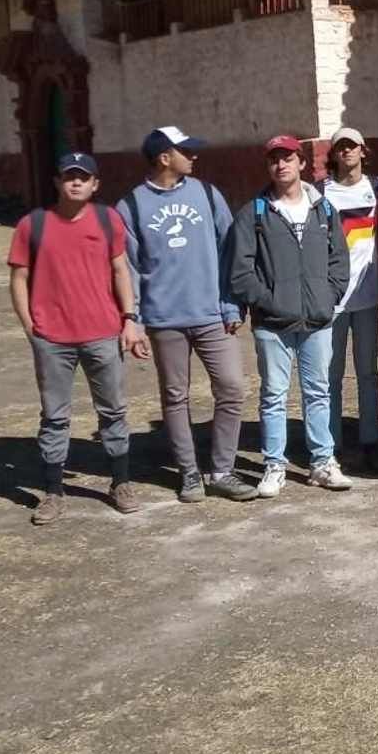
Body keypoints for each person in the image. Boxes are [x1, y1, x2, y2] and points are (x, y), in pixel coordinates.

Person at [117, 126, 257, 504]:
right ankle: (190, 474)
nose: (193, 157)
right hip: (165, 320)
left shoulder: (208, 194)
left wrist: (232, 304)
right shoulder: (130, 206)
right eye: (186, 151)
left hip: (212, 314)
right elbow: (127, 269)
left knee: (231, 388)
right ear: (164, 157)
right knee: (175, 396)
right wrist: (135, 320)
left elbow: (231, 253)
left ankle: (222, 471)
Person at [7, 152, 145, 524]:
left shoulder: (107, 219)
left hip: (103, 332)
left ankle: (120, 482)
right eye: (69, 176)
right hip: (53, 338)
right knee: (54, 416)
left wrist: (130, 319)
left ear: (95, 184)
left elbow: (120, 271)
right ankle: (53, 491)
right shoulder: (32, 225)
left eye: (84, 177)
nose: (76, 182)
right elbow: (19, 278)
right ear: (57, 181)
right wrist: (29, 326)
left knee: (113, 410)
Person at [227, 135, 352, 498]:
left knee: (318, 391)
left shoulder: (323, 209)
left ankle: (323, 463)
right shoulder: (255, 212)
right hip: (272, 323)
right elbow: (241, 269)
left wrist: (328, 298)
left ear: (301, 163)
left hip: (317, 319)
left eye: (287, 158)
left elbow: (339, 262)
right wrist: (266, 301)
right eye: (274, 160)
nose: (281, 165)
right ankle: (274, 465)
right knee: (274, 395)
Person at [318, 126, 378, 472]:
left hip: (367, 298)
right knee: (329, 375)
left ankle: (369, 441)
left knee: (368, 372)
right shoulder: (319, 193)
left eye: (353, 146)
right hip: (330, 301)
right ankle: (331, 443)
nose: (347, 152)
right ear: (333, 154)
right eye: (340, 147)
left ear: (364, 151)